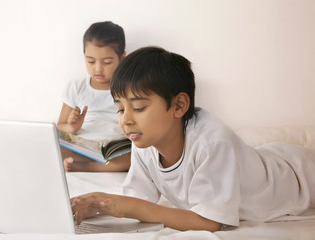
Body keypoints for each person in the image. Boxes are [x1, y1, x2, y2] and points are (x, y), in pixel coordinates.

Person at [70, 46, 315, 232]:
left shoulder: (213, 143)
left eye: (139, 107)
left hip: (300, 175)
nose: (126, 120)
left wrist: (126, 206)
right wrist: (96, 204)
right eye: (121, 109)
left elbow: (209, 222)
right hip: (265, 158)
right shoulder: (143, 141)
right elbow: (137, 199)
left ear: (178, 105)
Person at [57, 21, 130, 172]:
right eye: (90, 61)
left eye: (107, 62)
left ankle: (85, 167)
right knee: (53, 144)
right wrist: (72, 127)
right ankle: (84, 163)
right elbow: (60, 127)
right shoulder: (76, 87)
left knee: (140, 154)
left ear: (122, 58)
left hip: (114, 148)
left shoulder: (129, 89)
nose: (98, 69)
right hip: (82, 146)